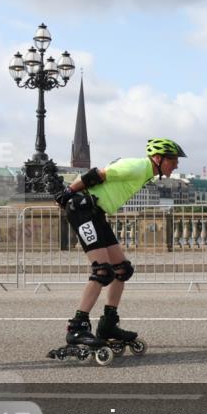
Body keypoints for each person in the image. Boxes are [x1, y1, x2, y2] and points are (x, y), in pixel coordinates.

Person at [47, 138, 186, 365]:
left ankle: (108, 323)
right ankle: (77, 327)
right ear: (158, 159)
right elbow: (98, 174)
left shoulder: (147, 172)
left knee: (122, 269)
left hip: (96, 212)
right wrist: (67, 193)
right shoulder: (138, 166)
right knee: (102, 271)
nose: (177, 165)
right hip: (82, 209)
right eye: (173, 160)